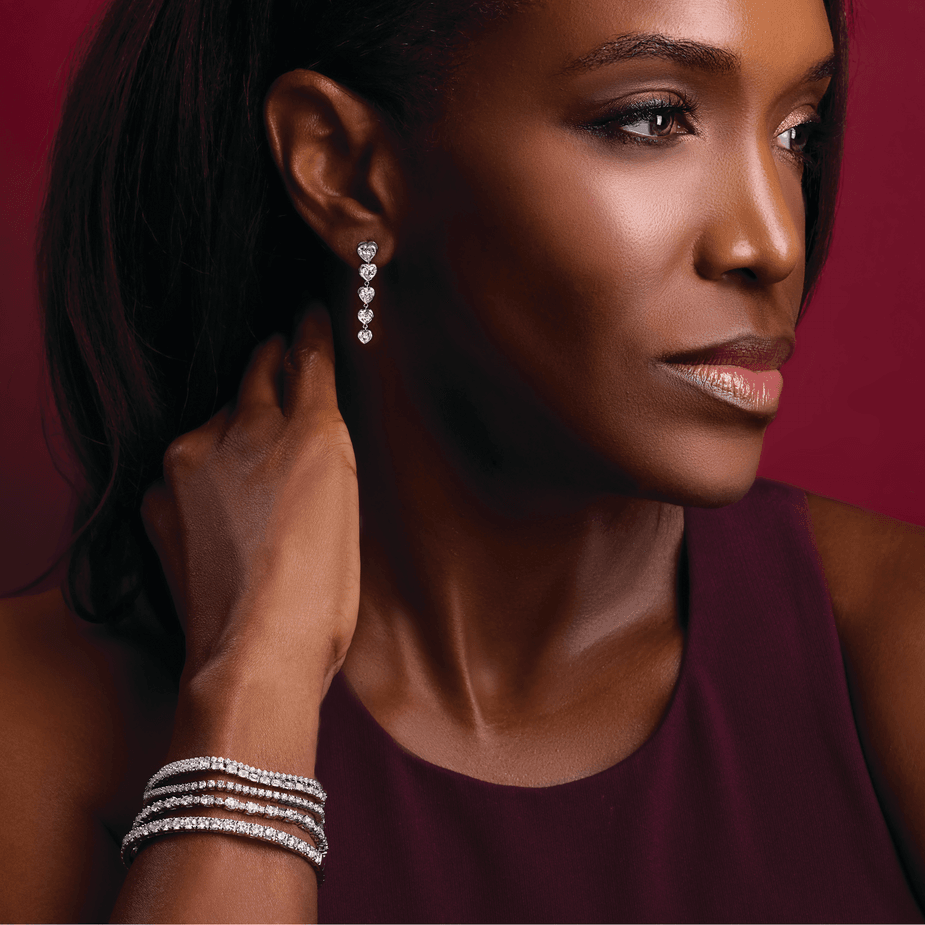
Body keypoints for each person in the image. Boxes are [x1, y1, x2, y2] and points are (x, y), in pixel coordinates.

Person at [1, 0, 923, 920]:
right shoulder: (35, 729)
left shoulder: (888, 642)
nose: (772, 243)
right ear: (343, 168)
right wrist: (251, 693)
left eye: (797, 129)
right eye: (650, 119)